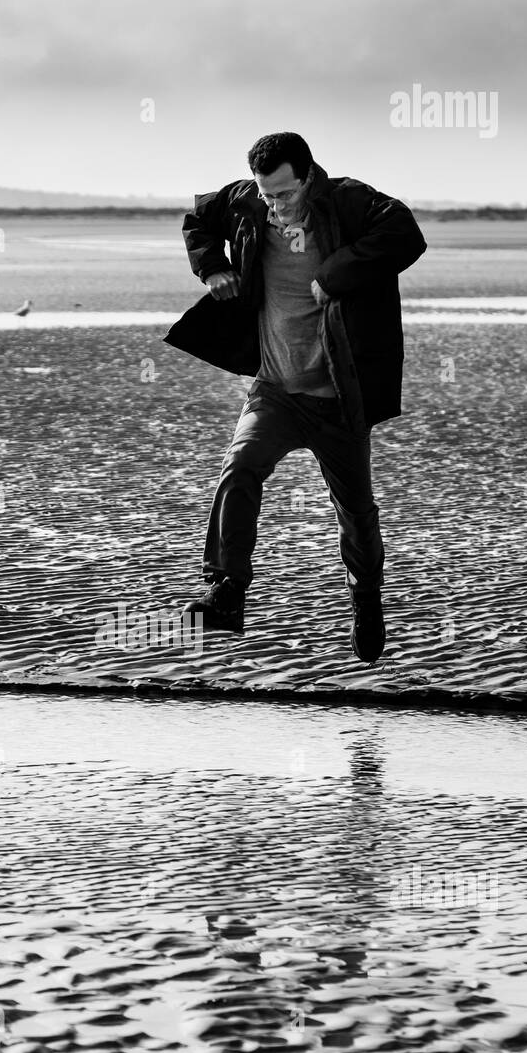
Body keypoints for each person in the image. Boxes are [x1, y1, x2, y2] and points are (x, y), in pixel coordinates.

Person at [164, 131, 427, 663]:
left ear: (307, 176)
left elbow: (405, 234)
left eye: (284, 193)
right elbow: (198, 218)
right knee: (239, 468)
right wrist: (212, 265)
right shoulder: (247, 201)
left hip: (338, 395)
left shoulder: (349, 201)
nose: (275, 205)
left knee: (355, 511)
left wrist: (336, 273)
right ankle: (226, 590)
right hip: (275, 388)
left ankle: (366, 597)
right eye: (267, 194)